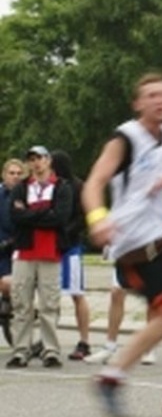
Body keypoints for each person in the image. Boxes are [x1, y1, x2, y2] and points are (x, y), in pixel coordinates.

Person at [82, 72, 162, 417]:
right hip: (133, 245)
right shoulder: (125, 139)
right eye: (151, 95)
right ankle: (111, 378)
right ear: (137, 103)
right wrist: (97, 219)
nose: (160, 100)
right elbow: (93, 182)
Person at [6, 146, 73, 368]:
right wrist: (44, 213)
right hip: (25, 251)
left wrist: (31, 214)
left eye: (40, 158)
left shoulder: (61, 187)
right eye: (32, 159)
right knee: (21, 303)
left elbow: (60, 218)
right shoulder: (22, 188)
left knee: (49, 304)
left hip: (50, 252)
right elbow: (16, 216)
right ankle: (20, 350)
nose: (36, 163)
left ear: (48, 160)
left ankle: (50, 349)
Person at [49, 149, 93, 363]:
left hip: (71, 246)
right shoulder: (51, 186)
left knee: (76, 292)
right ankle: (48, 338)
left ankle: (84, 340)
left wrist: (65, 233)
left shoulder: (78, 187)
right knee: (50, 294)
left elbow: (84, 218)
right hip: (51, 247)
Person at [0, 158, 26, 343]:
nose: (15, 177)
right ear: (4, 175)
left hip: (15, 248)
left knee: (10, 284)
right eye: (12, 173)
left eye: (19, 173)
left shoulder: (25, 195)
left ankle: (8, 303)